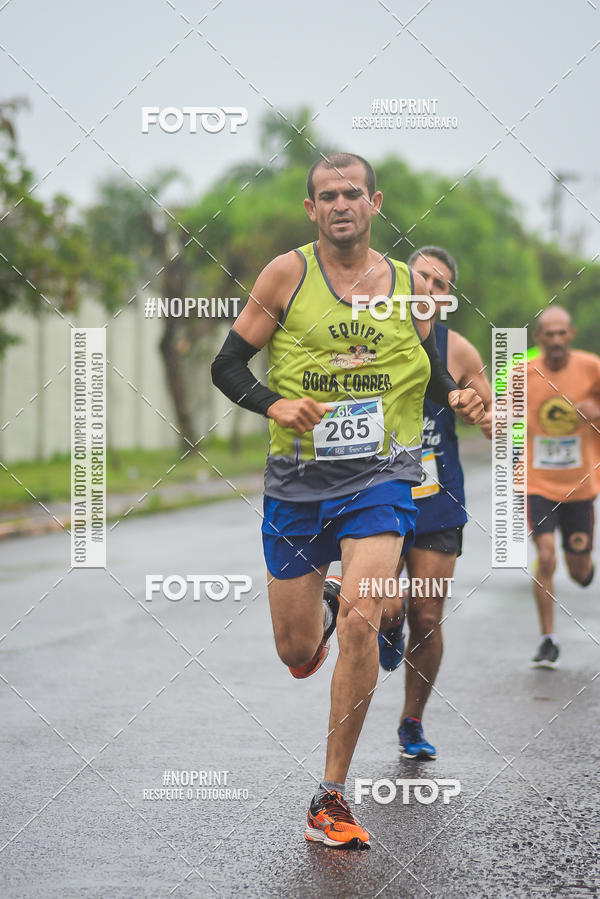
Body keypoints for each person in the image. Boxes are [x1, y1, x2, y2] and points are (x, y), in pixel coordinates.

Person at [211, 153, 484, 849]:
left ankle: (330, 794)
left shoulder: (408, 289)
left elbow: (444, 370)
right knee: (298, 653)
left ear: (375, 203)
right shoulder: (286, 275)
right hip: (297, 485)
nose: (340, 204)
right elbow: (227, 364)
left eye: (352, 193)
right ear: (311, 209)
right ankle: (323, 610)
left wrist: (472, 400)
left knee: (369, 613)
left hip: (381, 479)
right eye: (327, 194)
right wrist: (276, 403)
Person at [377, 247, 492, 760]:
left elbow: (486, 408)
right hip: (380, 492)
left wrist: (487, 418)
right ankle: (387, 620)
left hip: (437, 497)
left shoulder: (459, 350)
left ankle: (412, 721)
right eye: (420, 275)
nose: (428, 286)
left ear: (447, 298)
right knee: (386, 603)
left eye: (440, 283)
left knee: (427, 615)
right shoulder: (373, 334)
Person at [526, 306, 600, 668]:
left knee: (578, 570)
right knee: (546, 555)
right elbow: (502, 415)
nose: (555, 340)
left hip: (581, 486)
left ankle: (585, 565)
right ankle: (548, 639)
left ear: (570, 335)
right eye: (548, 334)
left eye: (561, 333)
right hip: (537, 483)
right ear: (539, 337)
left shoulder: (591, 367)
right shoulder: (523, 372)